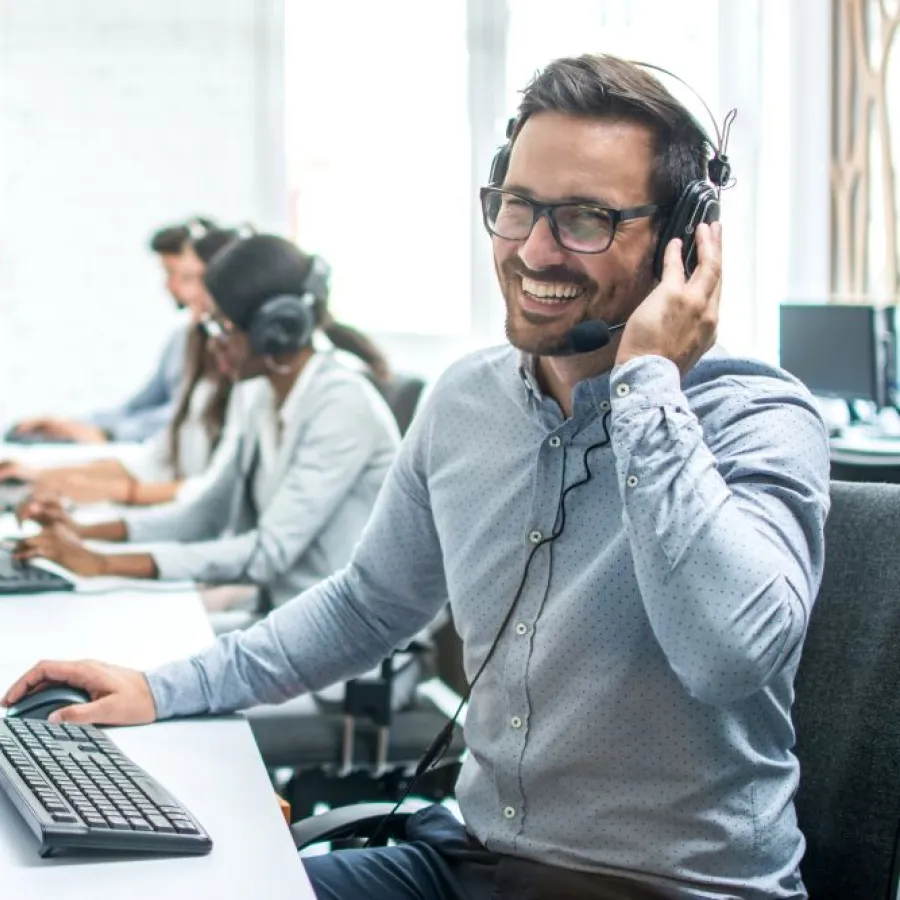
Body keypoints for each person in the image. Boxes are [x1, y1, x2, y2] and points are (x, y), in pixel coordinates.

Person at [3, 55, 831, 900]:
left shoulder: (757, 418)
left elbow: (728, 656)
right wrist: (161, 686)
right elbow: (368, 603)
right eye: (517, 207)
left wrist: (649, 386)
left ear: (682, 243)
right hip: (466, 864)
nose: (535, 249)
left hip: (671, 890)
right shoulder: (467, 400)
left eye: (585, 218)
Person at [12, 234, 400, 613]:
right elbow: (205, 514)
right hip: (287, 618)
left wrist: (101, 563)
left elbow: (268, 554)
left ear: (274, 329)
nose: (211, 343)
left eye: (222, 326)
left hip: (350, 643)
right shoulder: (260, 392)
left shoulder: (342, 404)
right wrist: (82, 534)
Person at [0, 227, 245, 507]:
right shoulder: (190, 340)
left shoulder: (243, 370)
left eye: (188, 278)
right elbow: (148, 422)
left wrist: (104, 449)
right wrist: (65, 442)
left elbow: (207, 488)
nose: (177, 288)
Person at [7, 217, 218, 444]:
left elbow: (190, 416)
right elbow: (137, 406)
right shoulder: (181, 340)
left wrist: (110, 434)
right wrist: (69, 425)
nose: (170, 286)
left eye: (177, 275)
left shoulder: (227, 346)